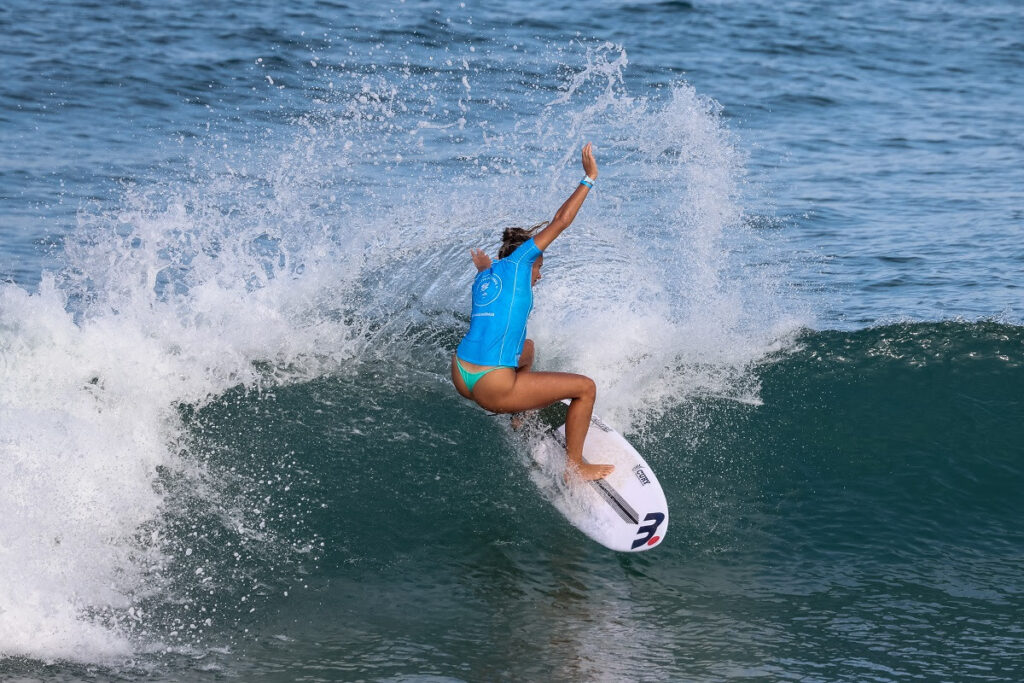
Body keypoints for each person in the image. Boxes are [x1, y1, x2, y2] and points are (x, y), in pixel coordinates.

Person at [451, 143, 614, 481]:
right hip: (492, 386)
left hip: (461, 373)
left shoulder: (485, 278)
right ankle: (575, 467)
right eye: (539, 268)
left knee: (528, 350)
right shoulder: (520, 263)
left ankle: (518, 413)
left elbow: (487, 272)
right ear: (529, 259)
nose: (538, 276)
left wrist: (484, 266)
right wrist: (589, 178)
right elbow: (562, 220)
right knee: (585, 388)